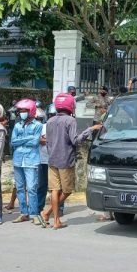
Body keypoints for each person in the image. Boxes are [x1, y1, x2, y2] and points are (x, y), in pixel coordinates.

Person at [39, 93, 102, 230]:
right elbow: (75, 140)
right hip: (65, 160)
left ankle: (51, 217)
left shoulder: (49, 121)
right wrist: (90, 129)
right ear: (70, 107)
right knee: (67, 191)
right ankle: (50, 215)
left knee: (54, 190)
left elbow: (48, 142)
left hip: (52, 160)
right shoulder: (70, 121)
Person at [10, 99, 43, 225]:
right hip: (18, 160)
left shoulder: (38, 125)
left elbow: (35, 143)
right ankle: (23, 213)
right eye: (21, 110)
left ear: (31, 111)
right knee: (19, 188)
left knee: (31, 188)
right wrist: (29, 138)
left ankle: (34, 213)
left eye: (25, 110)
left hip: (31, 160)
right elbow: (13, 142)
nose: (22, 113)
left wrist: (21, 140)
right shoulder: (18, 125)